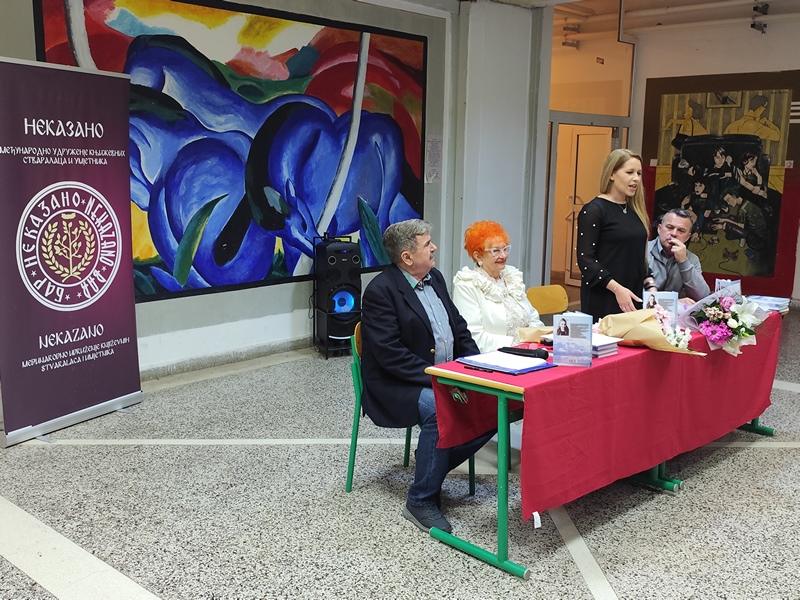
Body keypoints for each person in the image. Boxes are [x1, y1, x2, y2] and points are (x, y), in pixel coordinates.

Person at [360, 218, 494, 534]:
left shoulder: (435, 278)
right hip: (397, 384)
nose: (434, 247)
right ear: (407, 257)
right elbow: (390, 355)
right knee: (439, 410)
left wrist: (475, 369)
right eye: (427, 244)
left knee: (496, 403)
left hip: (443, 376)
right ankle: (419, 500)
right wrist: (441, 378)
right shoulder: (380, 291)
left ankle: (431, 462)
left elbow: (459, 329)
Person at [577, 149, 655, 321]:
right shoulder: (594, 210)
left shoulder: (636, 211)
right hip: (604, 297)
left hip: (633, 296)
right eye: (629, 172)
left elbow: (637, 258)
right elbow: (586, 260)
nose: (636, 178)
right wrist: (617, 289)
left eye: (639, 173)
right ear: (612, 174)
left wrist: (651, 286)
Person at [451, 221, 543, 353]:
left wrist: (534, 340)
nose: (503, 255)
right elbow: (473, 337)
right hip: (493, 356)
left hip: (528, 352)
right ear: (478, 256)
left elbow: (532, 317)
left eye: (505, 249)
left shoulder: (511, 278)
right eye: (496, 251)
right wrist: (518, 345)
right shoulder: (468, 284)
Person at [647, 209, 711, 302]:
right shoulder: (642, 252)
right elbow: (636, 295)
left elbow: (702, 296)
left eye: (681, 230)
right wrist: (674, 303)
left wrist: (683, 262)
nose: (674, 233)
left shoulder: (692, 259)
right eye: (669, 227)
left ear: (687, 237)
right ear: (659, 229)